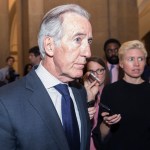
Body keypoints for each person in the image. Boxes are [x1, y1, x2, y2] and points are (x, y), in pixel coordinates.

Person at [0, 4, 93, 150]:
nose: (88, 52)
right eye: (77, 40)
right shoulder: (5, 102)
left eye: (89, 41)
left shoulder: (79, 92)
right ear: (49, 45)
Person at [99, 40, 150, 150]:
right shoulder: (110, 91)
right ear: (121, 63)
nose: (136, 64)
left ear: (145, 62)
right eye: (131, 59)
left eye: (140, 59)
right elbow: (101, 137)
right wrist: (106, 123)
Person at [83, 56, 110, 150]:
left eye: (100, 70)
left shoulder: (113, 93)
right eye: (92, 72)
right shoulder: (81, 93)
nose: (96, 75)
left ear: (105, 71)